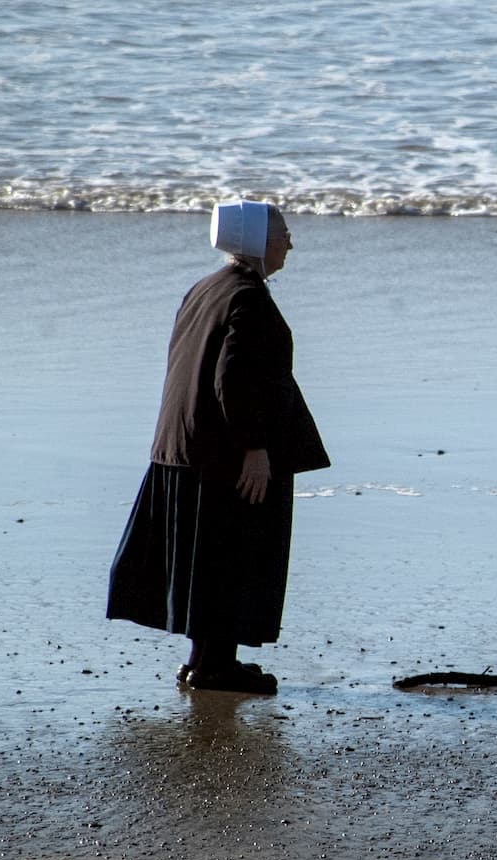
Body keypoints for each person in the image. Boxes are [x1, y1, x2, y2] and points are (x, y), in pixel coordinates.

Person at [107, 199, 330, 695]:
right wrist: (255, 449)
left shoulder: (206, 289)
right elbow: (233, 379)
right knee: (231, 556)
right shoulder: (247, 297)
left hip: (186, 449)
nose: (290, 242)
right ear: (256, 242)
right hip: (223, 455)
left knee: (208, 561)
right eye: (283, 234)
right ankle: (214, 667)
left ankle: (204, 661)